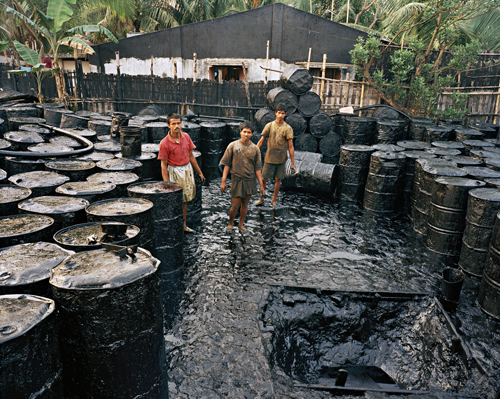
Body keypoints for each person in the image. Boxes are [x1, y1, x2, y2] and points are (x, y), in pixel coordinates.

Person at [158, 113, 205, 233]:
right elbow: (163, 165)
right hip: (174, 171)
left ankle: (183, 225)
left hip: (187, 169)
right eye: (173, 123)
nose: (177, 126)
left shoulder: (186, 137)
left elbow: (191, 156)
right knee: (174, 200)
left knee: (185, 199)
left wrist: (199, 172)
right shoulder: (164, 143)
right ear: (168, 125)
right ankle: (172, 225)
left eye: (178, 123)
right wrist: (166, 183)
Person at [220, 121, 264, 232]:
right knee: (235, 205)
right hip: (236, 179)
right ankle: (230, 223)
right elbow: (226, 164)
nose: (246, 134)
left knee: (245, 204)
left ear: (252, 134)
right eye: (244, 131)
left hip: (250, 180)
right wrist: (223, 181)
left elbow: (258, 169)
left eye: (249, 132)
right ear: (240, 132)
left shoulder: (255, 149)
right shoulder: (233, 146)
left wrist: (261, 185)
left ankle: (241, 224)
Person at [255, 103, 295, 207]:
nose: (280, 115)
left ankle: (274, 200)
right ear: (275, 113)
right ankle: (262, 198)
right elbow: (261, 141)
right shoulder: (269, 126)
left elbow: (290, 147)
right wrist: (253, 152)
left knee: (278, 180)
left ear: (285, 114)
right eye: (279, 113)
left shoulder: (288, 128)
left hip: (281, 159)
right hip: (269, 158)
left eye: (283, 113)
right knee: (264, 179)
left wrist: (293, 163)